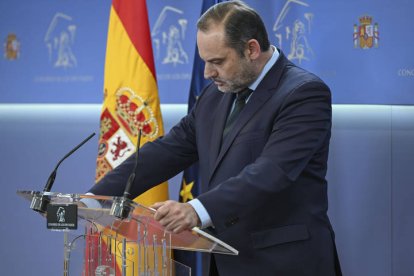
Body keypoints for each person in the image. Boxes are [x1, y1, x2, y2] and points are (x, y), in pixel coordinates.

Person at [88, 1, 341, 275]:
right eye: (205, 62)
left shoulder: (304, 94)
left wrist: (197, 209)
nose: (208, 73)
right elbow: (168, 151)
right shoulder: (214, 95)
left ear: (251, 49)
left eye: (217, 62)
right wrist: (94, 197)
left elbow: (272, 171)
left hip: (284, 262)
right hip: (224, 261)